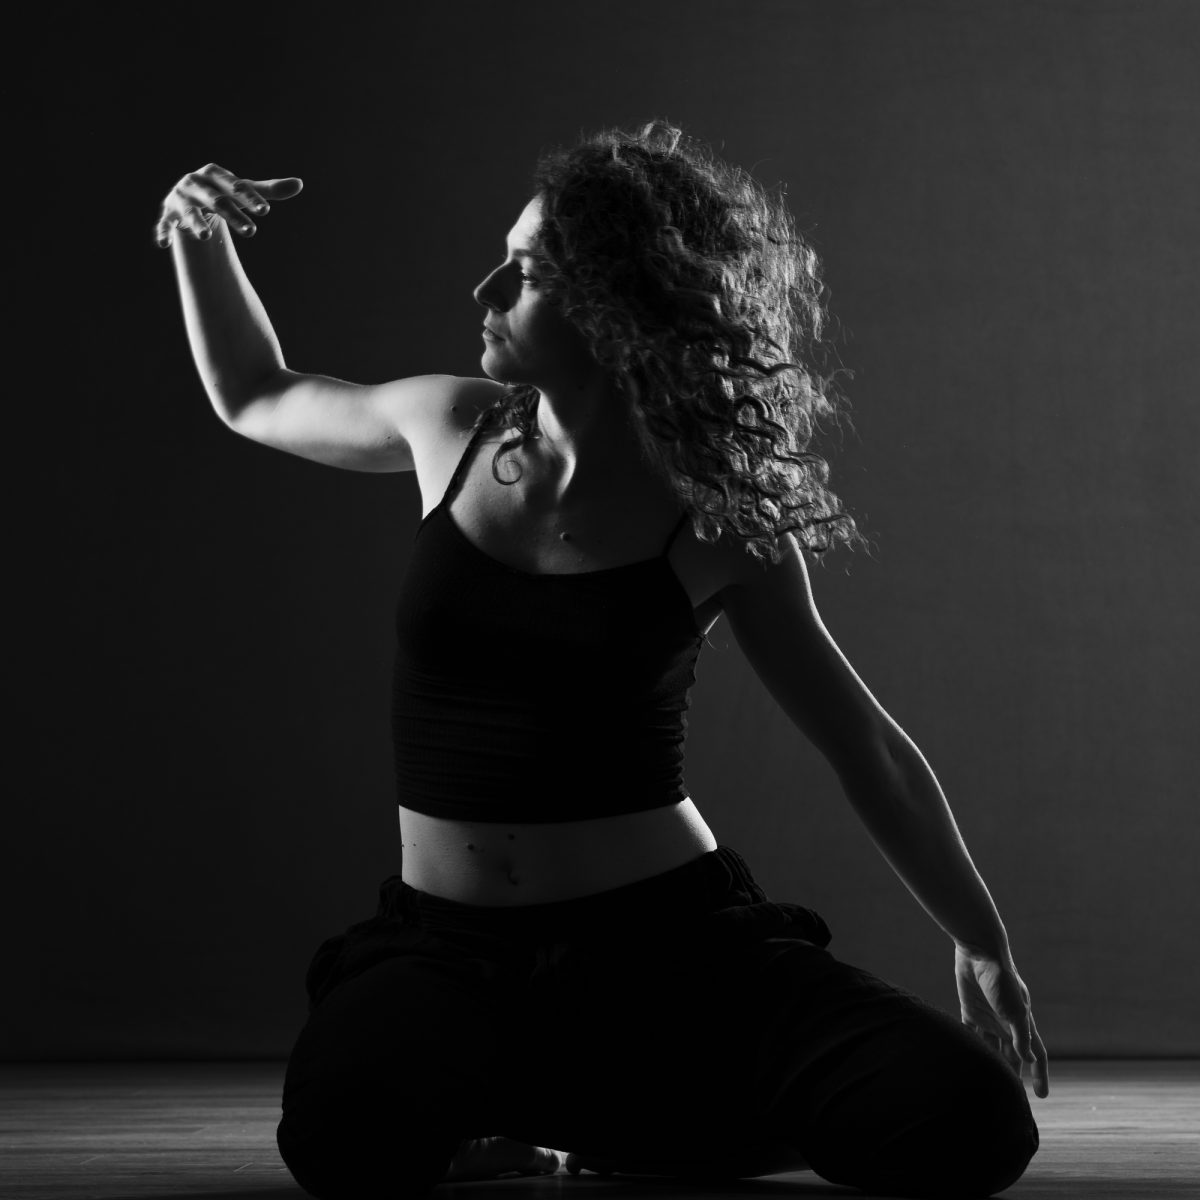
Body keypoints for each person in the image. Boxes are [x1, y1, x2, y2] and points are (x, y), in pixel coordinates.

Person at [156, 120, 1049, 1200]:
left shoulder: (716, 522)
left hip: (667, 948)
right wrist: (198, 236)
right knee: (345, 1144)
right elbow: (255, 392)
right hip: (449, 949)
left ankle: (612, 1122)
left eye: (524, 273)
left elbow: (866, 748)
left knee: (968, 1126)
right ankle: (594, 1117)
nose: (485, 288)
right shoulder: (450, 428)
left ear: (616, 309)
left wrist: (982, 938)